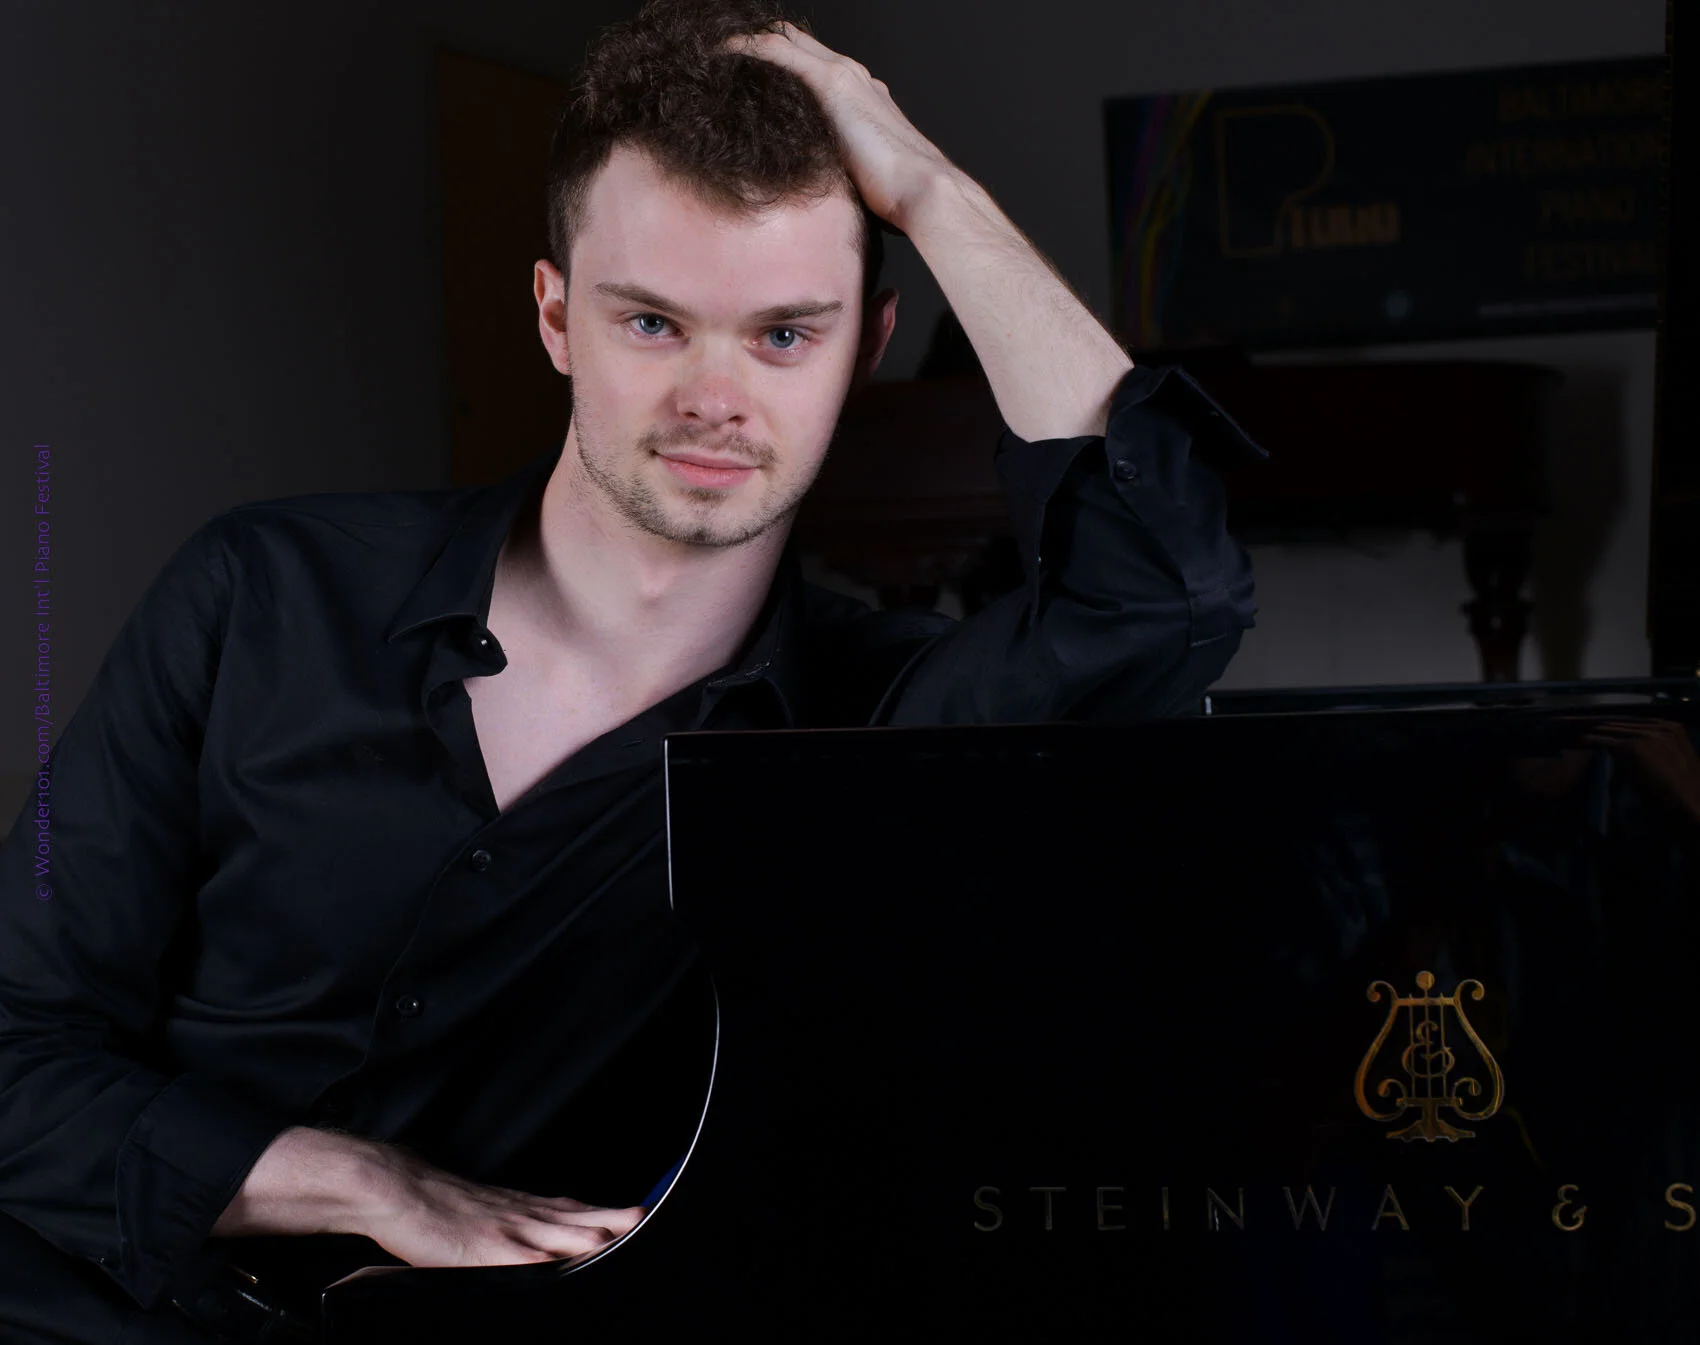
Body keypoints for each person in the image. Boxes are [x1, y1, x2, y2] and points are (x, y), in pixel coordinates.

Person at [0, 1, 1260, 1339]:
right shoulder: (258, 592)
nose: (715, 399)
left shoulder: (871, 728)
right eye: (654, 323)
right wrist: (353, 1182)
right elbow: (15, 1043)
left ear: (868, 347)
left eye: (785, 335)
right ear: (555, 317)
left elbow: (1162, 595)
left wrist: (930, 190)